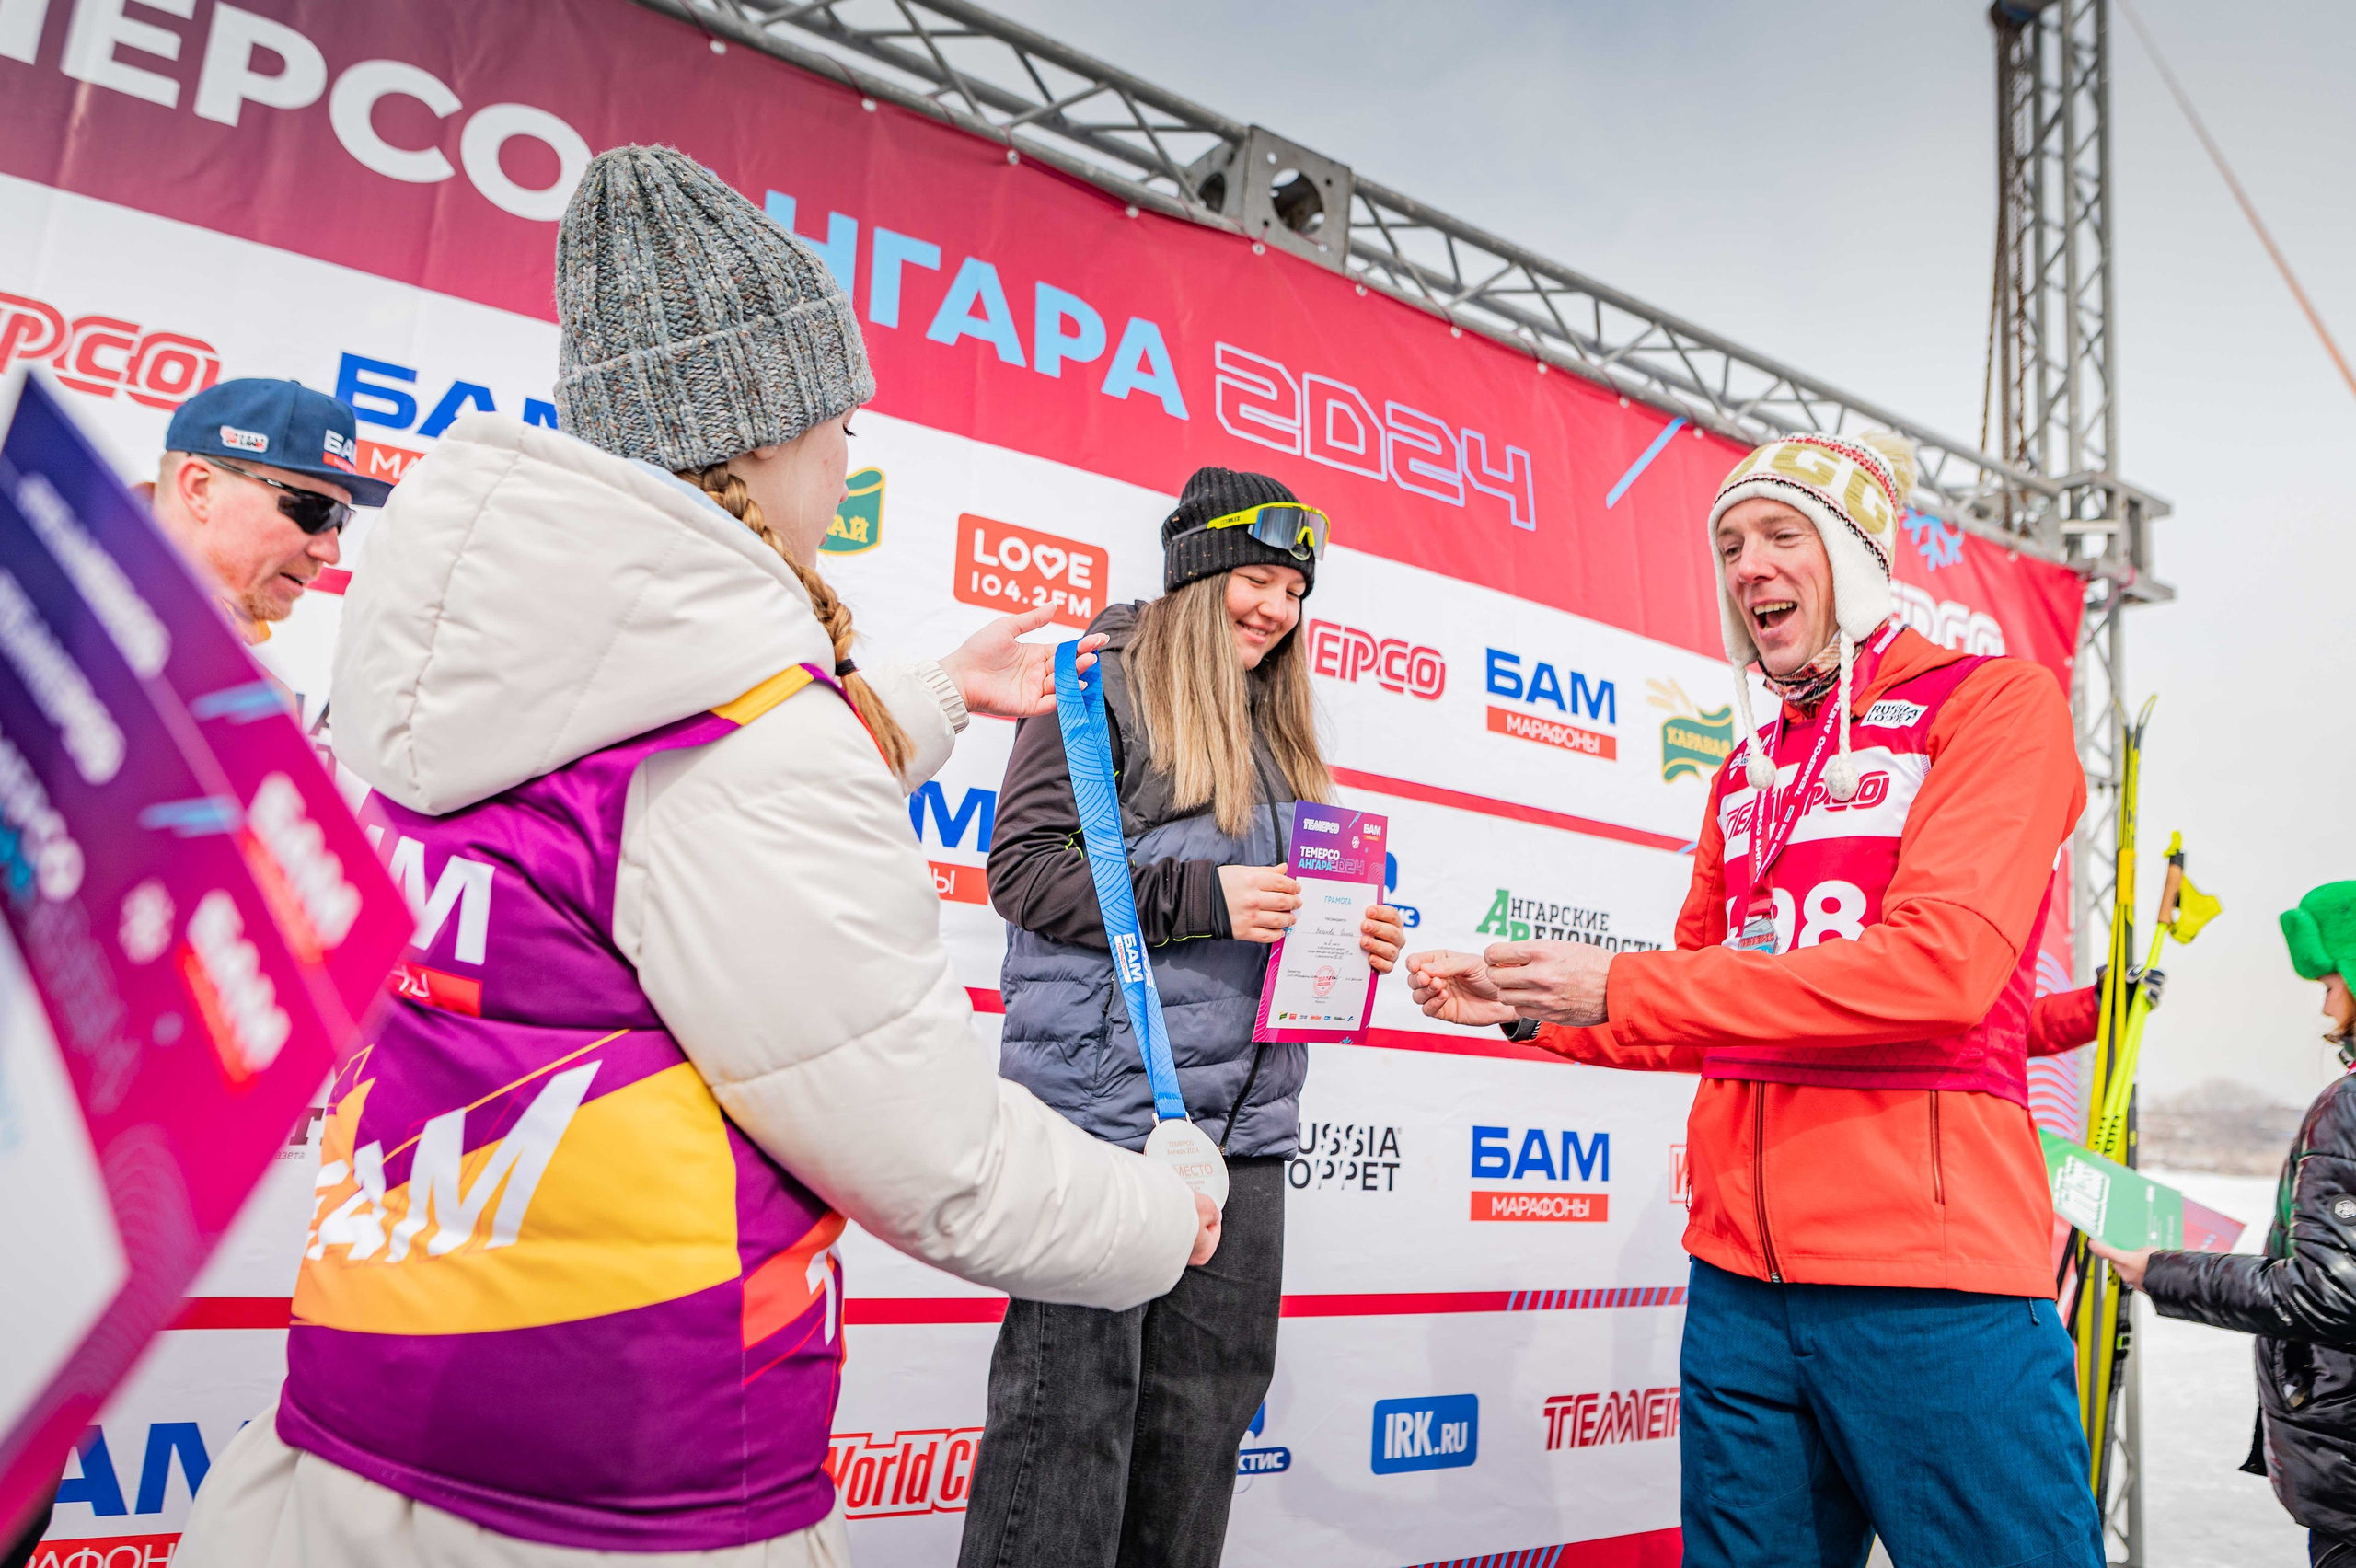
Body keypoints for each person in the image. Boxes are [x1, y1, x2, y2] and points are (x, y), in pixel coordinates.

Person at [177, 144, 1216, 1568]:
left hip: (341, 1454)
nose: (849, 460)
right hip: (616, 1501)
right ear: (766, 437)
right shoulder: (742, 744)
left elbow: (629, 819)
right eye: (841, 423)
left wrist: (926, 695)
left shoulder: (456, 664)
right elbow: (942, 1163)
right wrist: (1165, 1212)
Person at [1405, 431, 2104, 1568]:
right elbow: (1694, 1004)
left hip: (1926, 1282)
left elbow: (1941, 970)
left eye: (1784, 534)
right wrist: (1529, 1005)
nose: (1749, 567)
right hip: (1739, 1286)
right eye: (1729, 545)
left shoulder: (1990, 704)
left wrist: (1617, 983)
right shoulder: (1748, 770)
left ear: (1857, 559)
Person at [958, 467, 1404, 1568]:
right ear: (1200, 578)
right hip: (1105, 1118)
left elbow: (1276, 906)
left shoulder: (1274, 725)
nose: (1277, 609)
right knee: (1068, 1423)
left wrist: (1345, 934)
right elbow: (1023, 871)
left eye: (1294, 592)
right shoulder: (1099, 684)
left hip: (1243, 1131)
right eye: (1258, 581)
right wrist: (1207, 899)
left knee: (1199, 1431)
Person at [2094, 882, 2356, 1567]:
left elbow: (2328, 1292)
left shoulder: (2349, 1106)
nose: (2325, 1004)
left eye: (2330, 982)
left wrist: (2160, 1271)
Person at [144, 377, 387, 642]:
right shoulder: (110, 627)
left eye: (340, 519)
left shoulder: (210, 645)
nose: (330, 553)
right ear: (200, 488)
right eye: (314, 510)